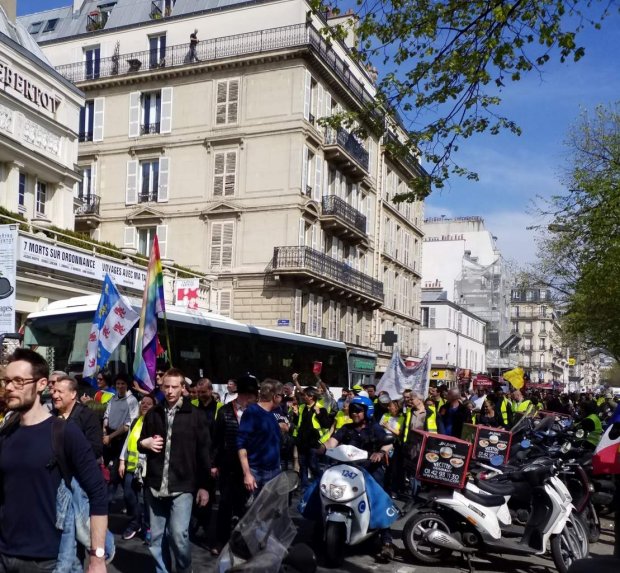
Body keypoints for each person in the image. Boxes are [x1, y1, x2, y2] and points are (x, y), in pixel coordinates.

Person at [0, 348, 108, 572]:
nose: (9, 387)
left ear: (41, 385)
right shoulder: (6, 432)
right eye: (7, 381)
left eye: (19, 381)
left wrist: (97, 558)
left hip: (49, 560)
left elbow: (97, 492)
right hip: (5, 555)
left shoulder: (64, 434)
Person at [138, 368, 211, 573]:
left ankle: (184, 569)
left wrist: (205, 486)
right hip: (154, 484)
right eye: (166, 386)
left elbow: (204, 453)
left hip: (183, 485)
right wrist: (146, 443)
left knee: (178, 535)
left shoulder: (196, 416)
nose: (169, 391)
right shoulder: (154, 413)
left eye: (174, 387)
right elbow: (139, 441)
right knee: (156, 537)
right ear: (161, 387)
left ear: (182, 388)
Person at [319, 396, 395, 562]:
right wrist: (322, 447)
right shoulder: (346, 428)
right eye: (353, 410)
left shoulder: (375, 428)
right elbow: (333, 441)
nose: (354, 413)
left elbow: (388, 443)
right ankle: (317, 528)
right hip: (345, 469)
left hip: (369, 469)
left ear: (367, 412)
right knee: (320, 487)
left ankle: (387, 542)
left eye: (359, 410)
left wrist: (380, 452)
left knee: (379, 499)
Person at [210, 374, 258, 555]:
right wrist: (214, 464)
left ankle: (244, 543)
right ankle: (221, 540)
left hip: (251, 467)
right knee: (225, 504)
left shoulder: (256, 412)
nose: (254, 398)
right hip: (228, 466)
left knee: (248, 506)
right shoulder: (225, 412)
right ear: (244, 394)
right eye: (252, 394)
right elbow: (216, 440)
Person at [118, 394, 157, 542]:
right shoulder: (135, 421)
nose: (145, 405)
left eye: (149, 403)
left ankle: (148, 527)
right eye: (143, 403)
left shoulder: (156, 422)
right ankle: (136, 522)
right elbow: (127, 442)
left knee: (147, 500)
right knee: (129, 495)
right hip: (132, 467)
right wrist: (122, 461)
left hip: (148, 468)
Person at [238, 380, 283, 496]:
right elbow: (241, 445)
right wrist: (247, 474)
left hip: (274, 472)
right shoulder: (252, 412)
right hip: (256, 473)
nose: (282, 399)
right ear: (275, 396)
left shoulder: (272, 414)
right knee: (254, 512)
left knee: (269, 512)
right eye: (281, 395)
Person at [52, 375, 104, 460]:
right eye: (54, 391)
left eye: (60, 392)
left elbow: (96, 449)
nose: (55, 396)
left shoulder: (88, 416)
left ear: (73, 394)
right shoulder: (50, 416)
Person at [293, 386, 333, 490]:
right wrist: (296, 414)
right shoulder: (302, 407)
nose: (303, 397)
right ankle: (304, 486)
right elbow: (298, 423)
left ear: (311, 397)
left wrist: (319, 414)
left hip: (313, 442)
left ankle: (320, 483)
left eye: (305, 395)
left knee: (313, 465)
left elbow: (326, 425)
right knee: (303, 465)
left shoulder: (321, 408)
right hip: (302, 441)